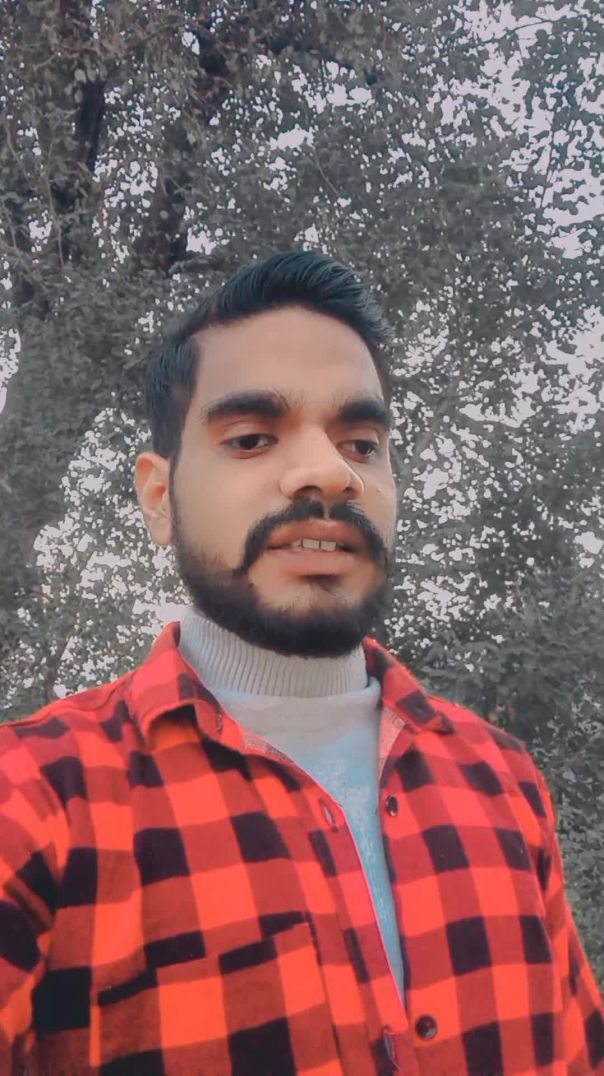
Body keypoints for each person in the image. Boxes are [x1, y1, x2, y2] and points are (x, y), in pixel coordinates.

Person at [0, 252, 601, 1076]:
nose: (330, 472)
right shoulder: (33, 800)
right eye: (251, 438)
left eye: (362, 442)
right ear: (159, 498)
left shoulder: (503, 781)